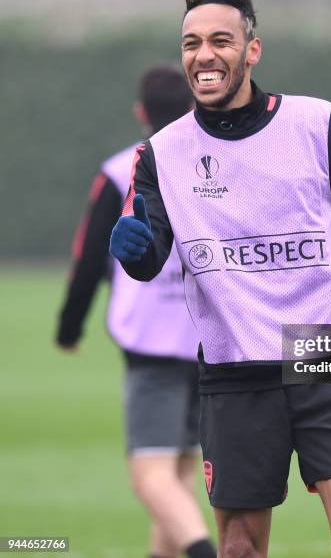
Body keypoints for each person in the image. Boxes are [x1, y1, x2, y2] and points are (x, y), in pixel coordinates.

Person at [110, 0, 331, 558]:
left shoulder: (316, 125)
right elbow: (151, 259)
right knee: (241, 548)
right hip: (235, 370)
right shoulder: (160, 154)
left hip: (326, 353)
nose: (204, 55)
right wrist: (136, 247)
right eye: (191, 43)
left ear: (251, 49)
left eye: (220, 40)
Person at [56, 65, 217, 558]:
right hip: (213, 338)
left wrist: (69, 327)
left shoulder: (118, 169)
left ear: (140, 112)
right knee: (180, 476)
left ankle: (204, 553)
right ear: (193, 106)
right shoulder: (216, 163)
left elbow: (89, 258)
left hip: (150, 341)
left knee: (151, 479)